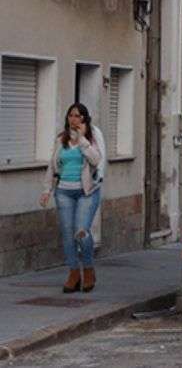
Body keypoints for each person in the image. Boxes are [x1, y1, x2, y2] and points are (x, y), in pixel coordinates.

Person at [40, 103, 106, 293]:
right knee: (68, 235)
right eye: (71, 115)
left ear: (84, 119)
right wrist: (47, 190)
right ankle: (73, 273)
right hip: (64, 192)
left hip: (87, 192)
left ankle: (88, 268)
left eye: (78, 116)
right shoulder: (61, 139)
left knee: (81, 231)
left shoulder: (91, 139)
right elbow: (52, 167)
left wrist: (83, 139)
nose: (74, 119)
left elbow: (96, 160)